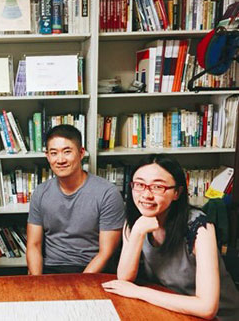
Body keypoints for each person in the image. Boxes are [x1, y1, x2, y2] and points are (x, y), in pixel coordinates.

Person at [102, 154, 239, 320]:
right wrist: (137, 232)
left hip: (217, 317)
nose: (146, 195)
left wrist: (139, 292)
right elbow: (124, 279)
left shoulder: (199, 227)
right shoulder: (136, 221)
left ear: (177, 192)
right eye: (139, 185)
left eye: (157, 187)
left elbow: (207, 308)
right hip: (170, 310)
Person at [27, 124, 125, 275]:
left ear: (81, 153)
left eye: (67, 152)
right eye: (54, 153)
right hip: (51, 269)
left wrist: (81, 284)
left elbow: (106, 253)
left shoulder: (107, 193)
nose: (60, 160)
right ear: (47, 156)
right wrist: (37, 282)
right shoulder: (41, 192)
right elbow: (33, 245)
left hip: (92, 270)